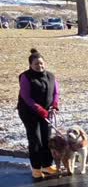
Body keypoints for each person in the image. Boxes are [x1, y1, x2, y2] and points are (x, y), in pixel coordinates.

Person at [17, 48, 60, 179]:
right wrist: (39, 110)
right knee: (35, 140)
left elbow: (56, 92)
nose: (39, 66)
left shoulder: (51, 76)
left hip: (46, 112)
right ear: (30, 65)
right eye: (36, 64)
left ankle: (47, 165)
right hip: (29, 112)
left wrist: (54, 105)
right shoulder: (25, 77)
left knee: (47, 139)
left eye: (41, 63)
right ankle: (36, 168)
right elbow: (26, 97)